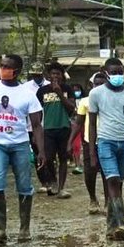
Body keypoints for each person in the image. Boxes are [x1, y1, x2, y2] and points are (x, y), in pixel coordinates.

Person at [0, 53, 45, 245]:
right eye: (1, 65)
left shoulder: (27, 94)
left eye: (7, 66)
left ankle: (24, 228)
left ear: (17, 71)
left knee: (24, 187)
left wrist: (41, 151)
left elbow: (37, 125)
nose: (3, 69)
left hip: (20, 145)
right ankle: (0, 228)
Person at [88, 57, 124, 241]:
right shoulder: (96, 94)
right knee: (113, 180)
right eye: (114, 72)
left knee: (118, 184)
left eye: (120, 72)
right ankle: (122, 224)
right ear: (105, 72)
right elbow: (92, 124)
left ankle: (111, 228)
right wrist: (92, 152)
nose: (117, 75)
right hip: (105, 142)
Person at [70, 72, 107, 215]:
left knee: (106, 172)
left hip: (106, 139)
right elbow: (78, 122)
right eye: (96, 84)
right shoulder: (85, 101)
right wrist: (70, 141)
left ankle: (108, 201)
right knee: (90, 172)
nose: (99, 86)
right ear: (91, 85)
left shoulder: (111, 99)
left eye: (102, 83)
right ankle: (93, 198)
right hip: (89, 141)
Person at [37, 62, 75, 199]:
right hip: (47, 129)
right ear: (48, 75)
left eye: (58, 74)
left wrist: (59, 92)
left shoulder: (67, 89)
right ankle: (52, 181)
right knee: (48, 158)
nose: (55, 76)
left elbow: (71, 107)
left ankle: (61, 188)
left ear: (62, 76)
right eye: (52, 74)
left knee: (63, 158)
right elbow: (37, 112)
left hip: (64, 127)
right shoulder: (42, 91)